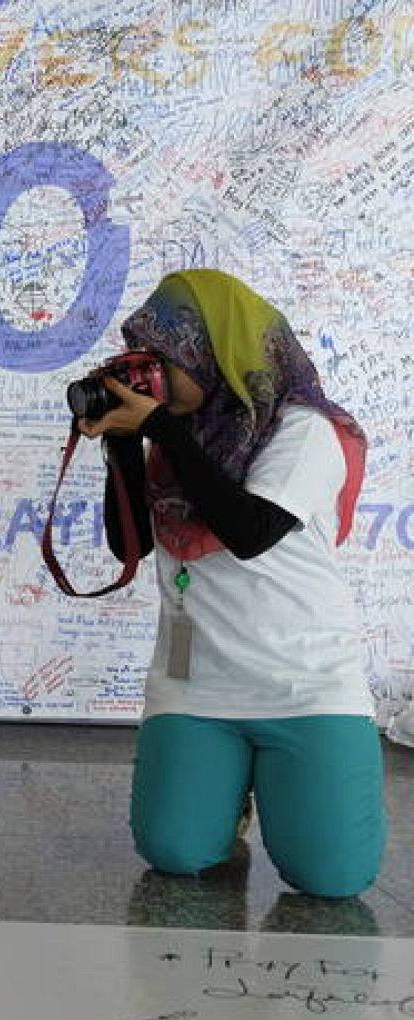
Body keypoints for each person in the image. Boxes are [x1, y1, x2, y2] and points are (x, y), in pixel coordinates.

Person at [78, 269, 384, 898]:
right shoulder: (181, 437)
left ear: (215, 352)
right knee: (174, 851)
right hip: (196, 686)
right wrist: (124, 450)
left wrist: (159, 428)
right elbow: (128, 545)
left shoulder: (305, 429)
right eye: (142, 360)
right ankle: (228, 790)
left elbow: (249, 530)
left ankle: (270, 782)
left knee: (334, 878)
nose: (150, 376)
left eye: (164, 359)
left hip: (306, 686)